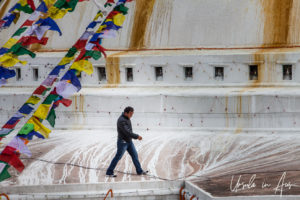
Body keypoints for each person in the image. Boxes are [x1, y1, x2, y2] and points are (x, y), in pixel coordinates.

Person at [106, 106, 148, 177]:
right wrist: (137, 136)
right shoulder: (121, 120)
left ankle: (139, 171)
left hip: (129, 141)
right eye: (131, 114)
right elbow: (127, 132)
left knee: (135, 155)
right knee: (118, 157)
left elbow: (129, 132)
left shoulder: (127, 118)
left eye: (132, 114)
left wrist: (132, 137)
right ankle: (109, 172)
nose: (132, 115)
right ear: (126, 113)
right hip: (123, 142)